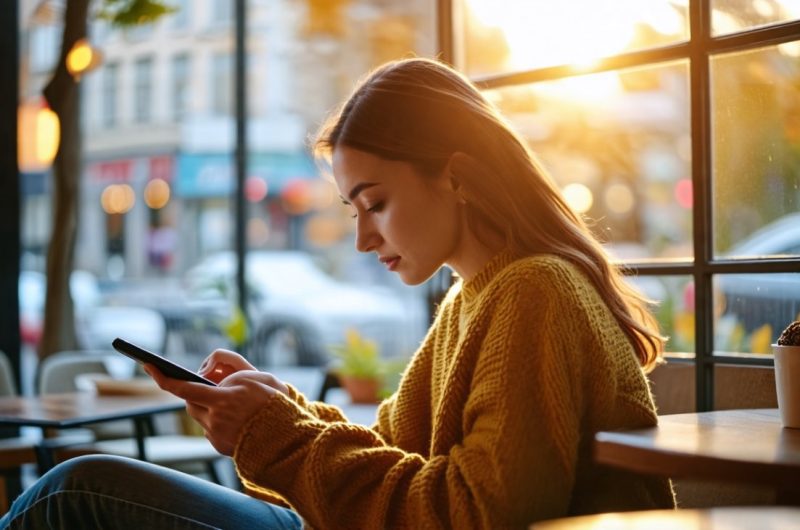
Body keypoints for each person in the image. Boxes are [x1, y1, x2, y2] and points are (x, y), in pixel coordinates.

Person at [1, 57, 675, 529]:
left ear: (457, 177)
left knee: (74, 493)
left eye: (374, 203)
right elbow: (390, 447)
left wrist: (278, 434)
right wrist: (275, 408)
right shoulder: (480, 295)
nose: (361, 238)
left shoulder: (535, 291)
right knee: (78, 488)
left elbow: (481, 516)